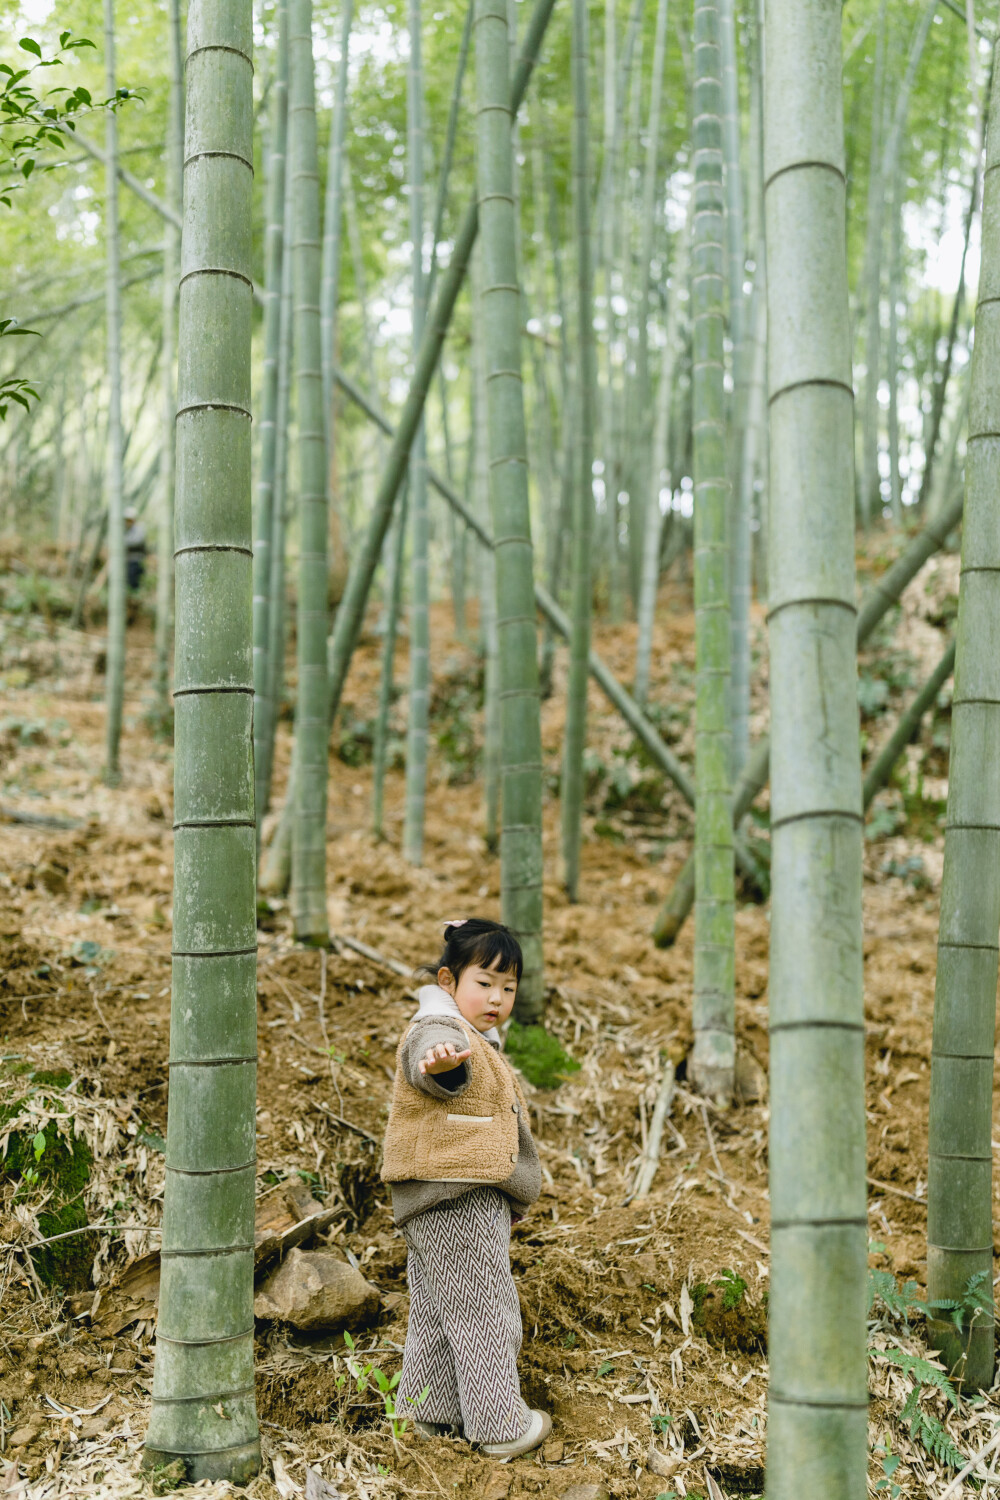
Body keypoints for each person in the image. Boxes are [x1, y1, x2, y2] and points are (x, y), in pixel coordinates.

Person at [381, 918, 550, 1458]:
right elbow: (434, 1064)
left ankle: (426, 1412)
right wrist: (443, 1067)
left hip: (446, 1196)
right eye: (485, 983)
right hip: (456, 1196)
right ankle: (500, 1424)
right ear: (449, 982)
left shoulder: (478, 1036)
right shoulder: (440, 1029)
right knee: (484, 1307)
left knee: (437, 1307)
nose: (497, 998)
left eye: (508, 988)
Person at [124, 507, 147, 592]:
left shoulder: (139, 528)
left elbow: (138, 540)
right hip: (126, 560)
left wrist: (124, 544)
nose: (127, 522)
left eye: (129, 520)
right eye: (126, 520)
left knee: (135, 580)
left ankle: (135, 595)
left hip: (136, 560)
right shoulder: (123, 530)